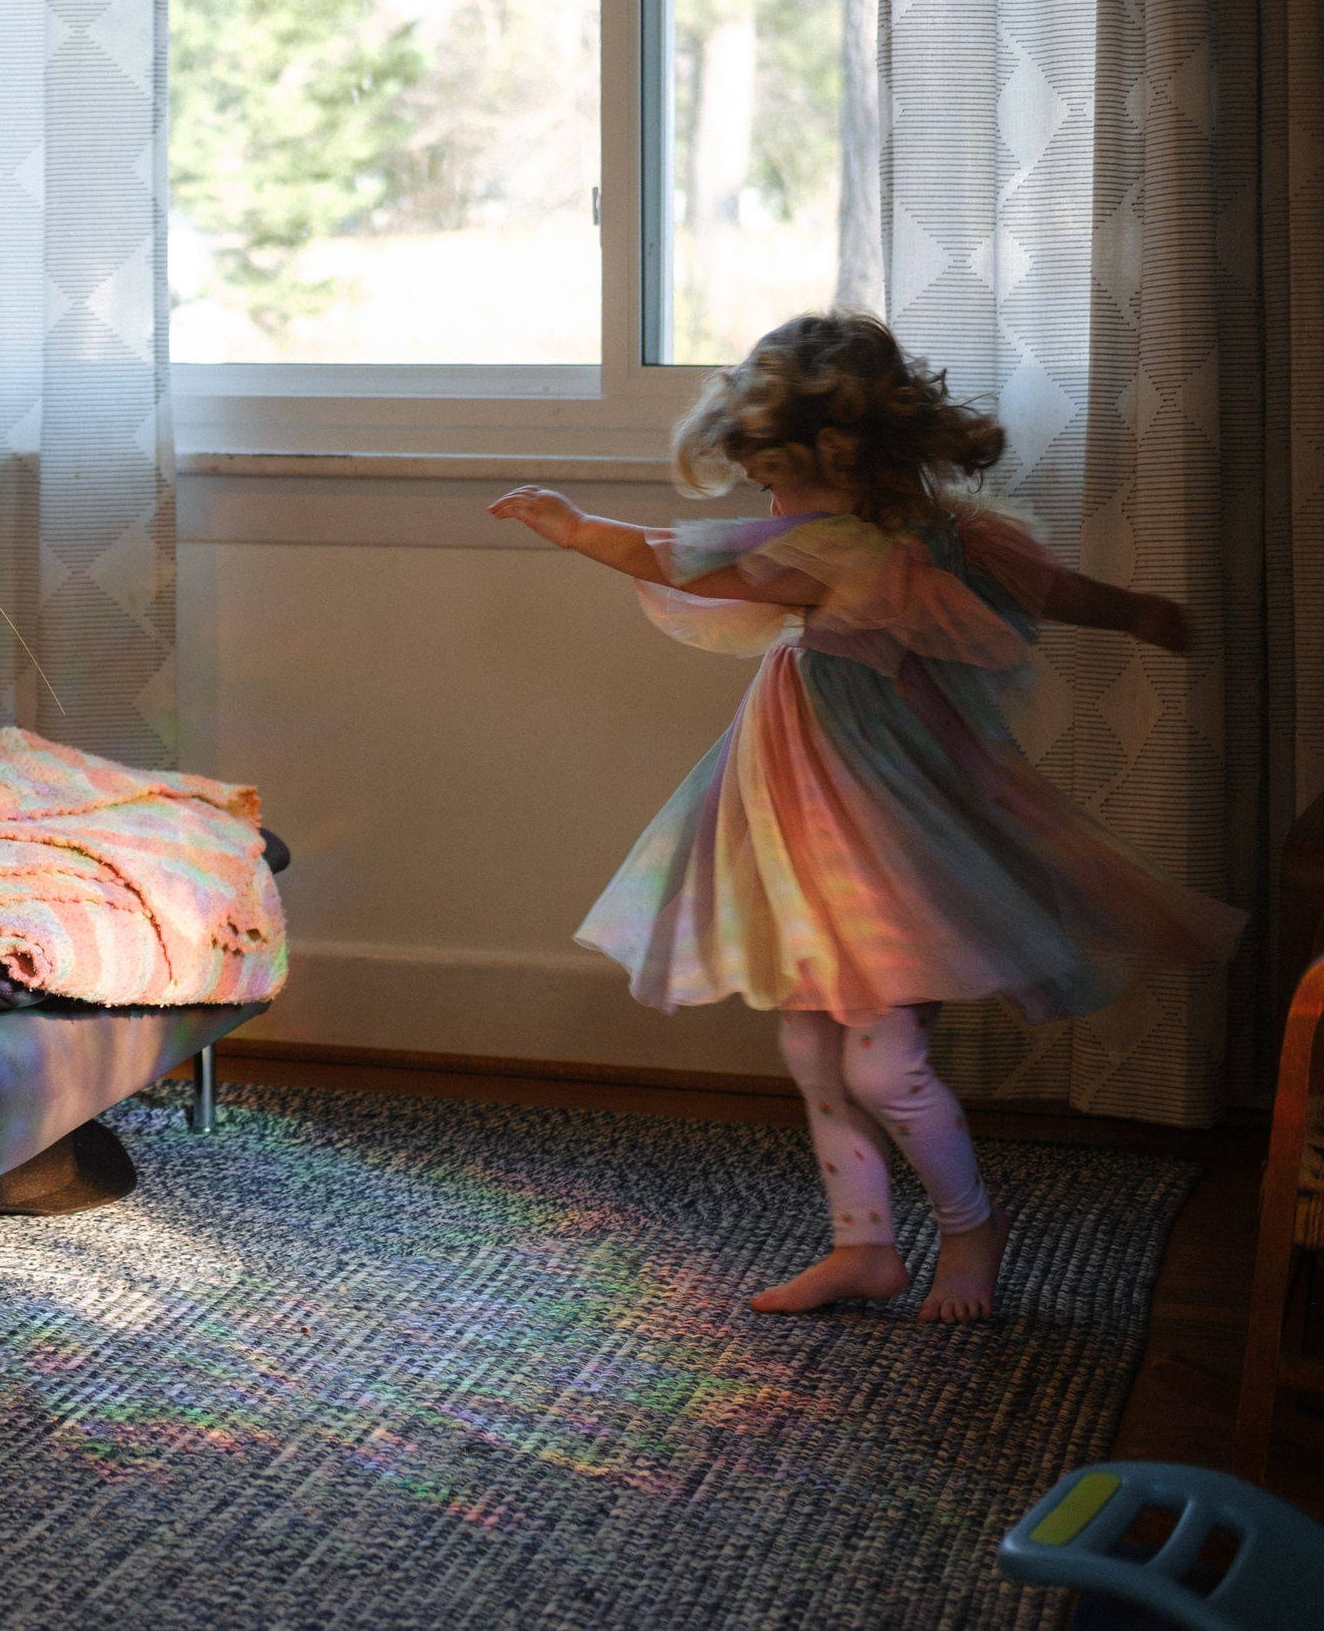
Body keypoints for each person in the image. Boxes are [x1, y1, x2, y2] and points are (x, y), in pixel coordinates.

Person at [487, 313, 1241, 1323]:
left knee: (881, 1061)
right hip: (808, 828)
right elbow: (1057, 589)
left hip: (891, 842)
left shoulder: (854, 549)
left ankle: (971, 1230)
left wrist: (579, 531)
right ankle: (865, 1248)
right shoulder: (913, 535)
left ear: (835, 464)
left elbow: (689, 563)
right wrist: (1138, 611)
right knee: (810, 1049)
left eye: (771, 476)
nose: (762, 496)